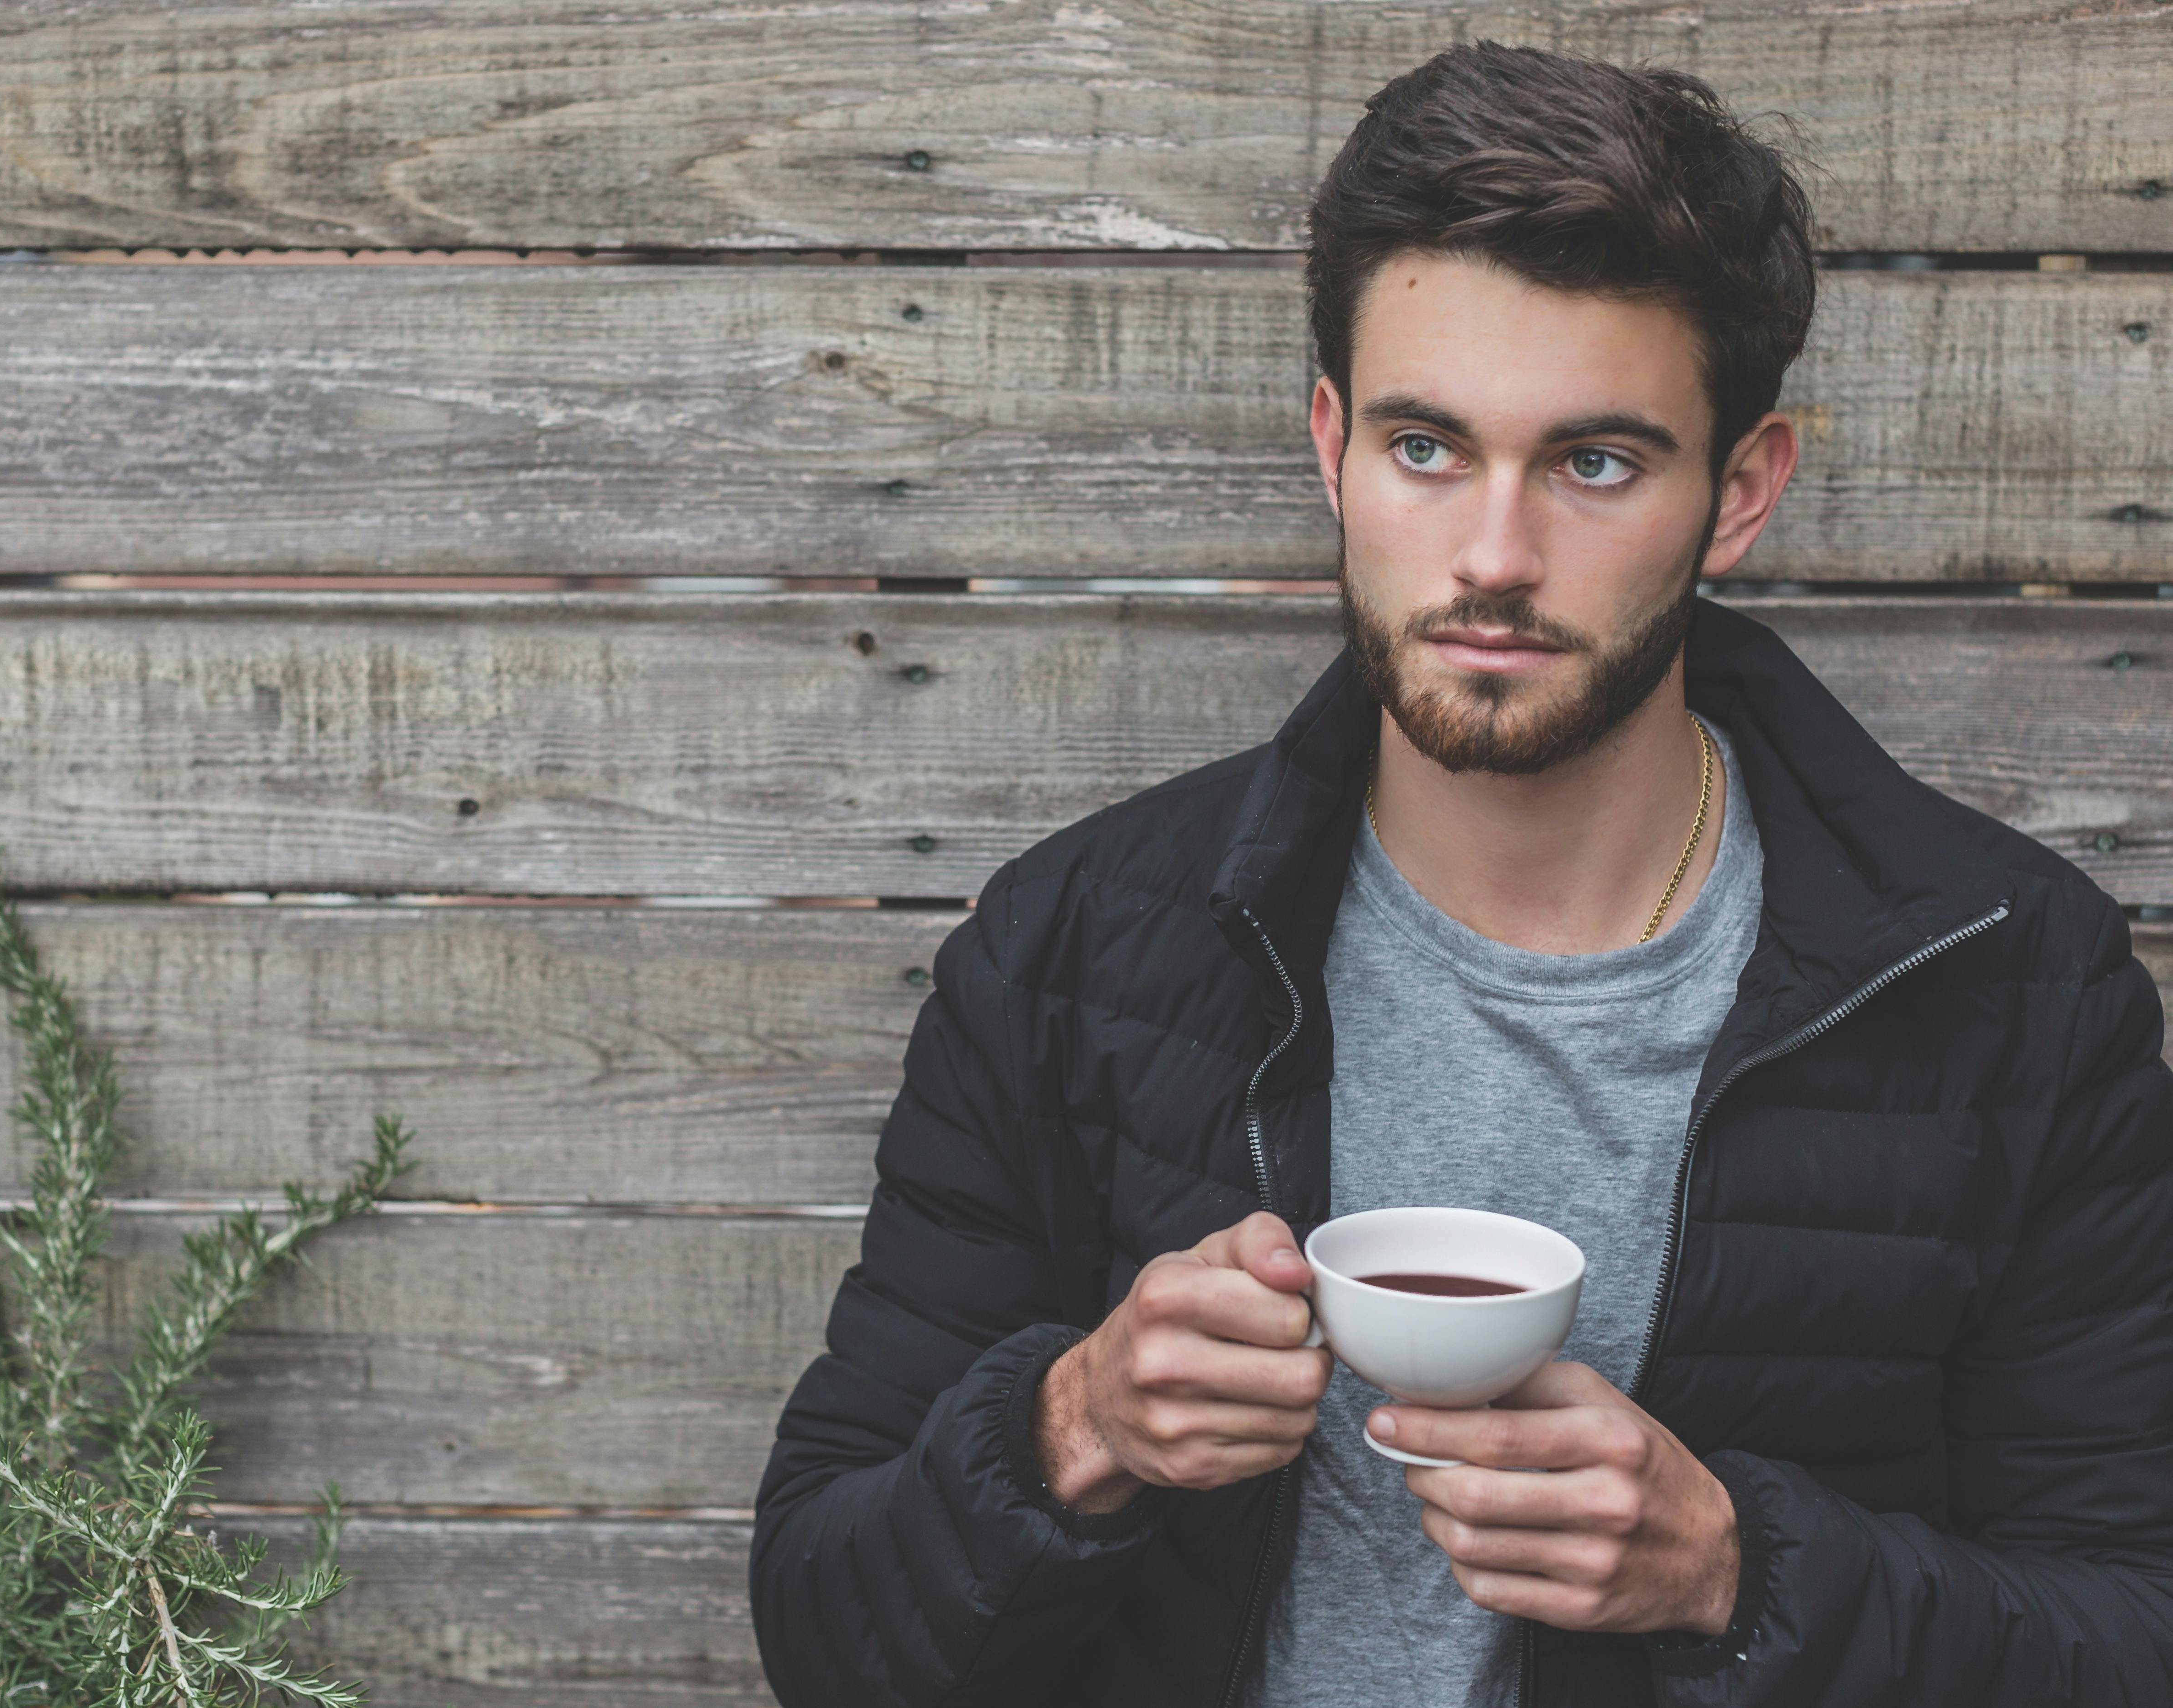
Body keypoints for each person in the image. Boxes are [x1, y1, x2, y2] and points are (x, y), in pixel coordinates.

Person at [749, 41, 2173, 1708]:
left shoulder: (2010, 985)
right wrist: (1075, 1431)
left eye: (1595, 463)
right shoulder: (1075, 952)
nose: (1495, 555)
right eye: (1428, 448)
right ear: (1332, 447)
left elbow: (2132, 1629)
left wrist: (1738, 1575)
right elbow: (826, 1631)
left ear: (1742, 491)